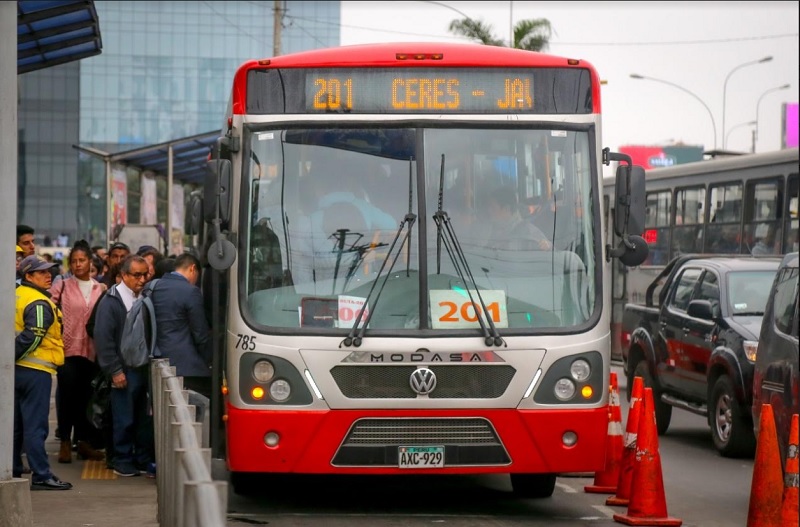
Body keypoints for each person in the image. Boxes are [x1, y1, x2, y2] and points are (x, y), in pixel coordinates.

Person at [14, 255, 72, 490]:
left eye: (49, 271)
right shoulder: (38, 302)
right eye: (41, 272)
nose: (48, 275)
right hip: (34, 372)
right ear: (28, 276)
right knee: (35, 427)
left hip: (17, 372)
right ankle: (41, 474)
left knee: (15, 427)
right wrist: (9, 358)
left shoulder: (16, 295)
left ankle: (13, 471)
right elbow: (32, 336)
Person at [94, 255, 155, 477]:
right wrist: (115, 370)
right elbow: (103, 339)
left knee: (142, 418)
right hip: (123, 369)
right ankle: (122, 459)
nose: (141, 279)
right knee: (124, 417)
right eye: (136, 275)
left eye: (145, 274)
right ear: (124, 275)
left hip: (143, 367)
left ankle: (141, 459)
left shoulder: (145, 297)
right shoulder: (111, 301)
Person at [49, 240, 107, 464]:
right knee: (67, 398)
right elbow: (49, 310)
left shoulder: (99, 288)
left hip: (91, 352)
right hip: (67, 350)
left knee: (86, 398)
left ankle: (82, 442)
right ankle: (65, 440)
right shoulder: (62, 286)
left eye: (82, 260)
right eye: (74, 261)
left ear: (90, 262)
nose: (77, 264)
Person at [151, 252, 212, 398]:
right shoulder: (191, 292)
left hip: (157, 360)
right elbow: (200, 333)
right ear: (192, 269)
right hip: (188, 366)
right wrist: (209, 360)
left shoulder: (152, 287)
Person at [484, 187, 552, 251]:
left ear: (506, 209)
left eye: (493, 208)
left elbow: (552, 254)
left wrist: (548, 247)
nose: (489, 211)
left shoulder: (528, 232)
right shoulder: (490, 230)